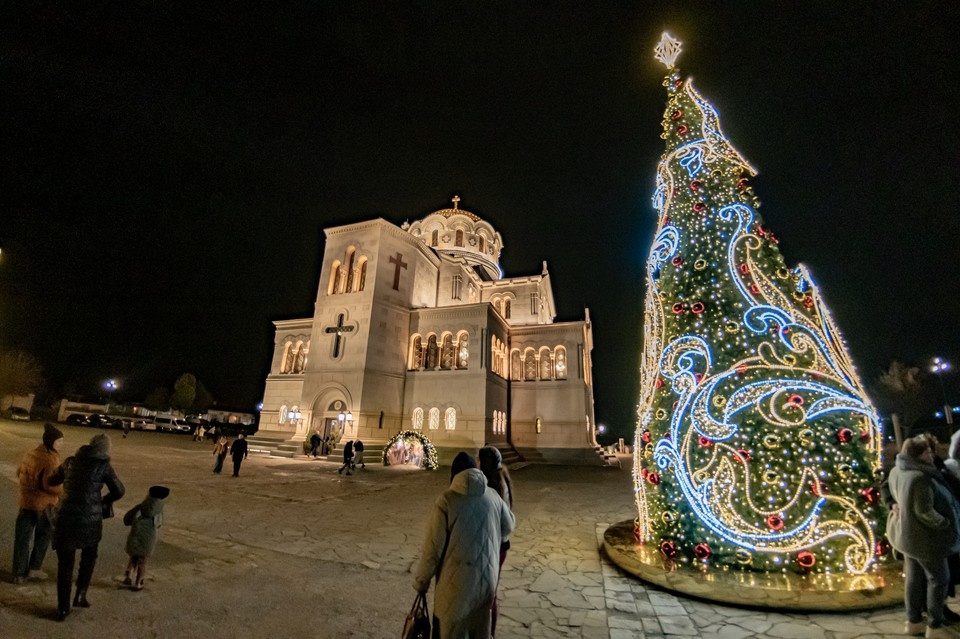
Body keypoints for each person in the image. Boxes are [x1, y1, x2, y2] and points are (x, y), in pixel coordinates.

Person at [414, 451, 515, 639]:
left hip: (455, 587)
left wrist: (421, 582)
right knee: (480, 630)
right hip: (485, 584)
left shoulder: (447, 500)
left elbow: (432, 549)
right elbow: (509, 525)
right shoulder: (492, 496)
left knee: (451, 630)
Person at [887, 435, 960, 639]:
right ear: (916, 455)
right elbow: (925, 512)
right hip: (926, 540)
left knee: (913, 579)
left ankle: (914, 621)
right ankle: (934, 626)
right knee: (939, 579)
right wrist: (946, 524)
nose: (931, 455)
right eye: (926, 452)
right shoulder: (920, 477)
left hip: (908, 537)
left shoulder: (897, 471)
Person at [50, 433, 125, 621]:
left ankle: (63, 608)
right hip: (90, 519)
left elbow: (52, 480)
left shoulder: (70, 462)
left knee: (65, 565)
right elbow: (119, 490)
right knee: (89, 557)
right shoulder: (103, 466)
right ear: (104, 449)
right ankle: (81, 595)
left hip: (65, 518)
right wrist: (101, 501)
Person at [12, 423, 64, 584]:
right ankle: (34, 568)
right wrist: (62, 492)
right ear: (51, 441)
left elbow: (19, 471)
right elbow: (49, 485)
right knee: (43, 537)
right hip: (44, 506)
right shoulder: (50, 459)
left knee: (22, 539)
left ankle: (18, 574)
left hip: (26, 502)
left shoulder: (31, 453)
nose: (61, 444)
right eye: (59, 441)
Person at [478, 445, 514, 637]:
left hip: (490, 546)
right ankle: (489, 633)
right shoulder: (503, 480)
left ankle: (484, 632)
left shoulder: (488, 487)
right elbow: (508, 522)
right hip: (501, 545)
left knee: (485, 594)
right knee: (490, 593)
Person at [122, 485, 170, 591]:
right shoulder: (159, 511)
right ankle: (139, 582)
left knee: (134, 556)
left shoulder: (141, 507)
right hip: (148, 540)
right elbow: (159, 524)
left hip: (135, 536)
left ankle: (128, 575)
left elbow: (127, 518)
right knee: (142, 561)